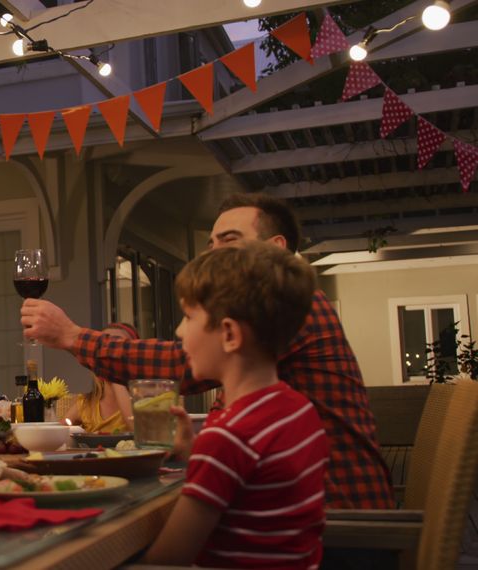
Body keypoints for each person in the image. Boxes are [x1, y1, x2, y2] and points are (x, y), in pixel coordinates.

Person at [21, 192, 394, 510]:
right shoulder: (257, 325)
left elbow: (180, 365)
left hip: (340, 522)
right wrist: (196, 447)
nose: (212, 256)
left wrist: (73, 337)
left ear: (275, 250)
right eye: (211, 245)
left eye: (228, 242)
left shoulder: (294, 308)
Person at [142, 241, 327, 568]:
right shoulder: (300, 409)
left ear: (229, 334)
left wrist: (207, 454)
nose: (179, 330)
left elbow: (167, 560)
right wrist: (193, 457)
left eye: (188, 316)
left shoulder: (228, 438)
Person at [64, 323, 136, 433]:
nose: (111, 355)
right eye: (105, 348)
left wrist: (116, 377)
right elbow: (59, 432)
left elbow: (140, 430)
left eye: (119, 348)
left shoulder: (143, 403)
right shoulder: (87, 404)